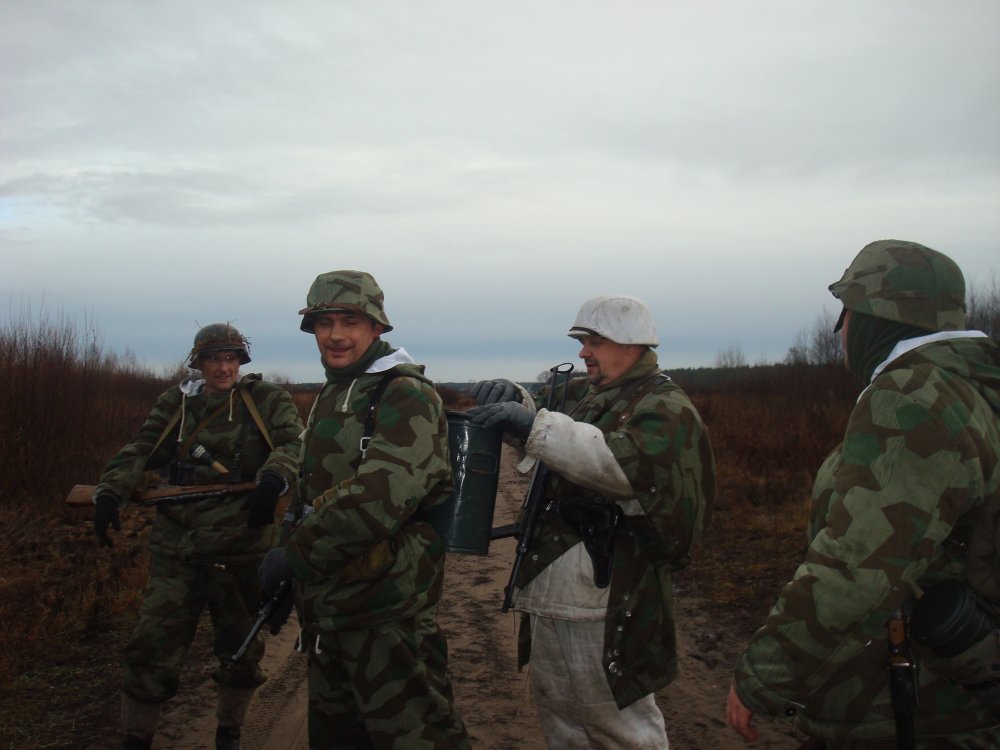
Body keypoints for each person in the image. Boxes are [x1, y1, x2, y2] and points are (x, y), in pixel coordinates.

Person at [727, 240, 1000, 749]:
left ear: (879, 317)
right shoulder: (972, 390)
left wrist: (765, 674)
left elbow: (860, 565)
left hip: (909, 711)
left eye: (846, 313)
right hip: (960, 702)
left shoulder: (911, 397)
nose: (841, 331)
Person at [468, 294, 716, 749]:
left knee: (619, 732)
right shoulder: (593, 394)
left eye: (594, 342)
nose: (584, 352)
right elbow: (552, 414)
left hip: (607, 595)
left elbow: (617, 465)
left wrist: (531, 427)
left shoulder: (664, 406)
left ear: (631, 342)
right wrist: (514, 398)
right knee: (563, 725)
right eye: (583, 341)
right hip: (555, 588)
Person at [258, 270, 470, 749]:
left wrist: (296, 558)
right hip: (330, 614)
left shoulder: (404, 393)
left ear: (376, 328)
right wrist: (290, 573)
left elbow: (380, 497)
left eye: (350, 321)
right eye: (324, 322)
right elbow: (308, 498)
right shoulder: (334, 391)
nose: (336, 335)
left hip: (387, 614)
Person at [93, 323, 303, 750]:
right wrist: (110, 491)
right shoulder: (178, 403)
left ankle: (230, 732)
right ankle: (136, 737)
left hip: (241, 548)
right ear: (199, 362)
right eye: (214, 359)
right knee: (151, 646)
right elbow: (142, 448)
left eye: (231, 358)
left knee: (241, 650)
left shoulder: (266, 400)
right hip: (178, 549)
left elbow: (295, 445)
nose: (223, 368)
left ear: (241, 361)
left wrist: (273, 478)